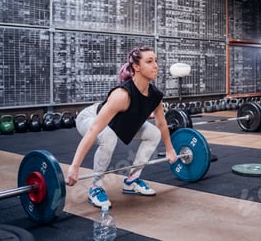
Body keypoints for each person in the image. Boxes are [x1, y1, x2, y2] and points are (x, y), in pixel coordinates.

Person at [66, 46, 178, 208]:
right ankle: (95, 187)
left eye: (156, 61)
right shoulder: (122, 95)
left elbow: (161, 124)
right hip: (90, 118)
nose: (156, 65)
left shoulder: (155, 95)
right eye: (149, 61)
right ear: (136, 67)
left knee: (153, 133)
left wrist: (169, 149)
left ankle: (131, 180)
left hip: (117, 122)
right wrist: (74, 167)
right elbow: (93, 130)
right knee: (108, 136)